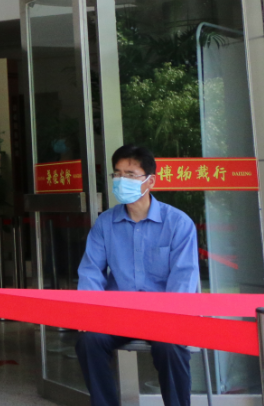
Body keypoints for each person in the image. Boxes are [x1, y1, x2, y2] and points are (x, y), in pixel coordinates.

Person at [75, 144, 199, 406]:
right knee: (89, 340)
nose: (121, 180)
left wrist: (172, 318)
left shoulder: (178, 223)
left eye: (130, 174)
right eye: (117, 174)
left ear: (150, 181)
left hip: (163, 314)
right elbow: (91, 270)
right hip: (119, 313)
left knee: (171, 346)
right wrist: (89, 311)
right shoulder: (105, 223)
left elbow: (184, 277)